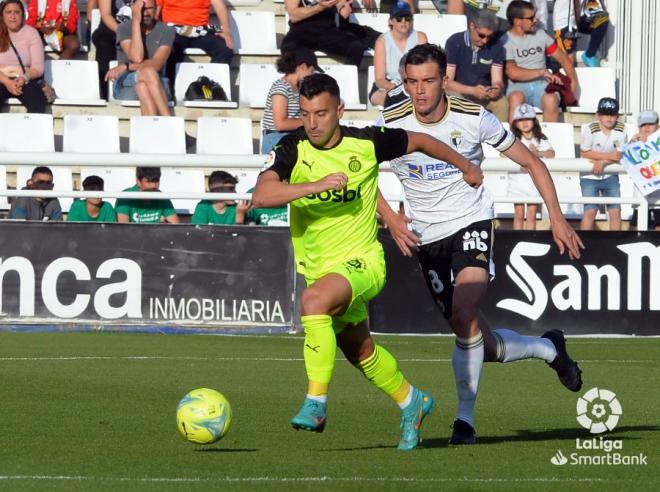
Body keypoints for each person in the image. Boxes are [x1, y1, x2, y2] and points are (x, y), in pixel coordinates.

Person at [253, 73, 484, 450]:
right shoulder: (292, 148)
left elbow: (422, 140)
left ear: (339, 111)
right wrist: (317, 185)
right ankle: (413, 402)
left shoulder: (366, 142)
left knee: (313, 303)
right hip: (319, 267)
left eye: (321, 113)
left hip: (363, 262)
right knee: (358, 351)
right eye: (307, 114)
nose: (312, 123)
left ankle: (316, 403)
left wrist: (466, 166)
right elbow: (262, 195)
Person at [376, 44, 584, 445]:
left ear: (443, 81)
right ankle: (548, 349)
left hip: (471, 221)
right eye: (411, 82)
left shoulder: (473, 117)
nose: (420, 91)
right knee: (477, 339)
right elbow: (361, 171)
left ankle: (464, 422)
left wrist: (556, 217)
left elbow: (532, 162)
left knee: (465, 308)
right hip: (426, 237)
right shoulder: (391, 120)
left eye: (428, 81)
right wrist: (390, 215)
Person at [503, 0, 578, 123]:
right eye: (531, 18)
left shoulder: (540, 35)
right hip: (518, 87)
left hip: (542, 86)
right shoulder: (505, 40)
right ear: (517, 21)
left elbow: (563, 59)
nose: (535, 20)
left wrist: (573, 82)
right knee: (516, 98)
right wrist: (541, 72)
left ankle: (549, 140)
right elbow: (512, 72)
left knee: (551, 100)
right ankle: (513, 140)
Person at [104, 0, 174, 116]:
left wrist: (126, 66)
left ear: (157, 9)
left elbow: (156, 64)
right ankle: (170, 122)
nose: (145, 13)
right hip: (126, 83)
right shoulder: (124, 28)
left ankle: (150, 130)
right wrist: (136, 21)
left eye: (149, 8)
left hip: (158, 83)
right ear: (133, 8)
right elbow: (137, 57)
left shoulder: (167, 30)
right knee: (148, 73)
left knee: (143, 86)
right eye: (141, 9)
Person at [445, 8, 507, 121]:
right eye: (482, 35)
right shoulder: (454, 42)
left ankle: (501, 137)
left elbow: (497, 80)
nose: (485, 41)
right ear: (472, 26)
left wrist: (497, 88)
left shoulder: (496, 45)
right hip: (459, 92)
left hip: (484, 94)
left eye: (489, 36)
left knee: (502, 104)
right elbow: (447, 82)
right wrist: (472, 90)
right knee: (452, 98)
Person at [158, 0, 234, 89]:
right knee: (170, 47)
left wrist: (226, 32)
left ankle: (212, 87)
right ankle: (170, 88)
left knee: (225, 46)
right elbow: (157, 9)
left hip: (200, 30)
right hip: (173, 29)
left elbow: (220, 7)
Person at [579, 96, 628, 231]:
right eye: (605, 114)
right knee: (590, 211)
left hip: (611, 175)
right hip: (589, 176)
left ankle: (615, 243)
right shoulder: (591, 129)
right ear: (598, 115)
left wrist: (603, 162)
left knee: (615, 211)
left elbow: (620, 154)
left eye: (612, 114)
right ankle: (584, 244)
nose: (609, 118)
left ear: (617, 116)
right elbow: (584, 152)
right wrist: (607, 157)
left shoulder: (621, 129)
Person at [369, 1, 427, 107]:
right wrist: (392, 87)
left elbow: (424, 69)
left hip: (413, 83)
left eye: (407, 17)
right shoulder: (382, 41)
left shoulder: (420, 37)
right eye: (399, 18)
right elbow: (379, 79)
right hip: (389, 84)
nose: (404, 21)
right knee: (380, 97)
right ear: (391, 21)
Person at [261, 49, 319, 154]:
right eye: (312, 70)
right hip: (276, 139)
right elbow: (280, 124)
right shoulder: (281, 86)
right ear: (303, 66)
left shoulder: (299, 87)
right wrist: (308, 121)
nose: (312, 74)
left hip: (290, 137)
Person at [281, 0, 370, 67]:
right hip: (301, 30)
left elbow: (339, 2)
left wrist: (342, 5)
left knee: (356, 46)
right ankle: (294, 87)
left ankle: (346, 82)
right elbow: (294, 15)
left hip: (327, 30)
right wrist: (319, 7)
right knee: (289, 47)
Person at [509, 103, 555, 230]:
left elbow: (551, 153)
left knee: (531, 214)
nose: (524, 123)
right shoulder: (513, 138)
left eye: (528, 119)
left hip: (535, 182)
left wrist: (537, 153)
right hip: (517, 183)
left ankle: (530, 239)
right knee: (518, 215)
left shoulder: (540, 138)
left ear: (534, 121)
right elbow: (503, 154)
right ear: (515, 122)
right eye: (520, 119)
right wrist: (522, 157)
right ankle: (516, 239)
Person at [0, 0, 47, 113]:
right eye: (8, 12)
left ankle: (33, 130)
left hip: (24, 79)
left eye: (17, 12)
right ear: (2, 15)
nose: (13, 16)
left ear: (23, 14)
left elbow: (38, 67)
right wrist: (8, 82)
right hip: (1, 79)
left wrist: (24, 78)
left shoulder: (32, 33)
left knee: (37, 99)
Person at [91, 0, 131, 99]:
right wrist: (123, 32)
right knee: (104, 40)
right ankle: (104, 93)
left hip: (135, 28)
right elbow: (106, 15)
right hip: (111, 27)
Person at [629, 110, 660, 231]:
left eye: (650, 124)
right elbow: (625, 161)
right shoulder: (634, 141)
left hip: (658, 193)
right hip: (641, 191)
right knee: (637, 226)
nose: (646, 127)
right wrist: (632, 143)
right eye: (643, 124)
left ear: (658, 124)